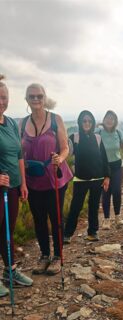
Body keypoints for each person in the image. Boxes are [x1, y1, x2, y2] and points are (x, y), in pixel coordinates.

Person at [20, 83, 72, 275]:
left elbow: (65, 147)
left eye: (39, 96)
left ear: (44, 98)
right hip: (33, 180)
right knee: (39, 219)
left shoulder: (55, 120)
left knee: (56, 218)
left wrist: (61, 158)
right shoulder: (22, 123)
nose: (36, 100)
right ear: (26, 99)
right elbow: (19, 151)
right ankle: (44, 255)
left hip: (54, 178)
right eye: (32, 96)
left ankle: (58, 256)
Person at [0, 75, 33, 297]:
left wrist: (23, 182)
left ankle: (9, 272)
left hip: (12, 187)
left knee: (7, 232)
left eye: (4, 98)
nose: (2, 102)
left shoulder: (11, 122)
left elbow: (19, 154)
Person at [64, 110, 110, 243]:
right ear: (80, 122)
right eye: (84, 121)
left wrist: (107, 177)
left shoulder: (97, 138)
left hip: (97, 178)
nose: (87, 123)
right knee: (75, 207)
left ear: (93, 123)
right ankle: (67, 234)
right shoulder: (74, 137)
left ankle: (92, 232)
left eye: (90, 121)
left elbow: (104, 159)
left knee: (94, 206)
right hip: (80, 179)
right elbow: (65, 153)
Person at [100, 110, 123, 229]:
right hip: (103, 167)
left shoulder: (118, 132)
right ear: (104, 120)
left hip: (117, 166)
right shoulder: (98, 132)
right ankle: (106, 220)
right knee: (106, 192)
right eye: (107, 118)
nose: (109, 120)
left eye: (112, 118)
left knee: (116, 190)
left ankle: (117, 217)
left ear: (115, 121)